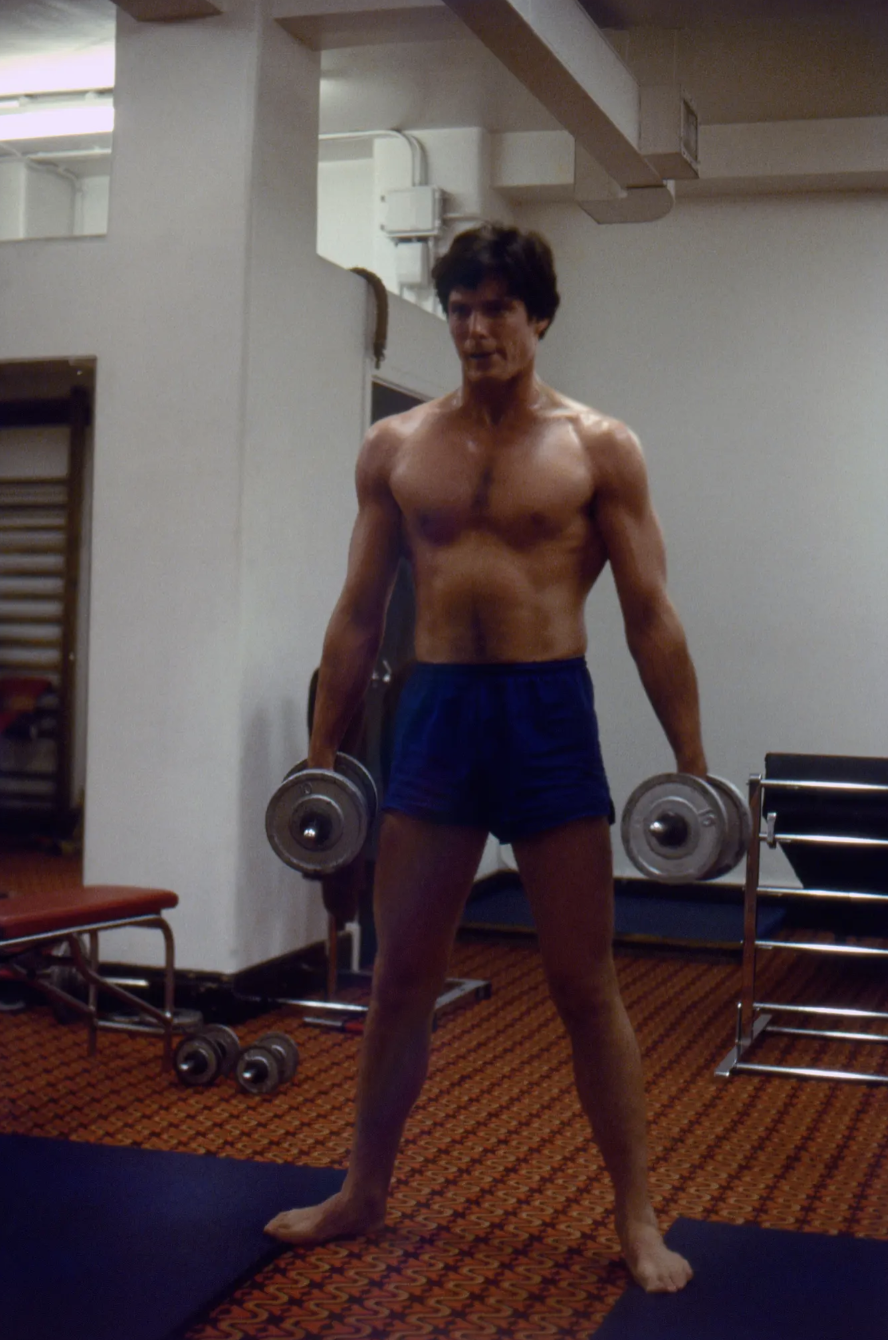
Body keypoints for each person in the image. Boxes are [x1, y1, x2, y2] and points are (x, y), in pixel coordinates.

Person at [266, 224, 705, 1293]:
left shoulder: (598, 446)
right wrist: (320, 756)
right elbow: (357, 612)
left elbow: (649, 614)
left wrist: (690, 763)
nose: (475, 328)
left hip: (547, 710)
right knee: (402, 973)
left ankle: (637, 1216)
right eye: (459, 307)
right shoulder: (397, 448)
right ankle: (362, 1189)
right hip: (437, 714)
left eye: (497, 307)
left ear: (538, 316)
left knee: (580, 978)